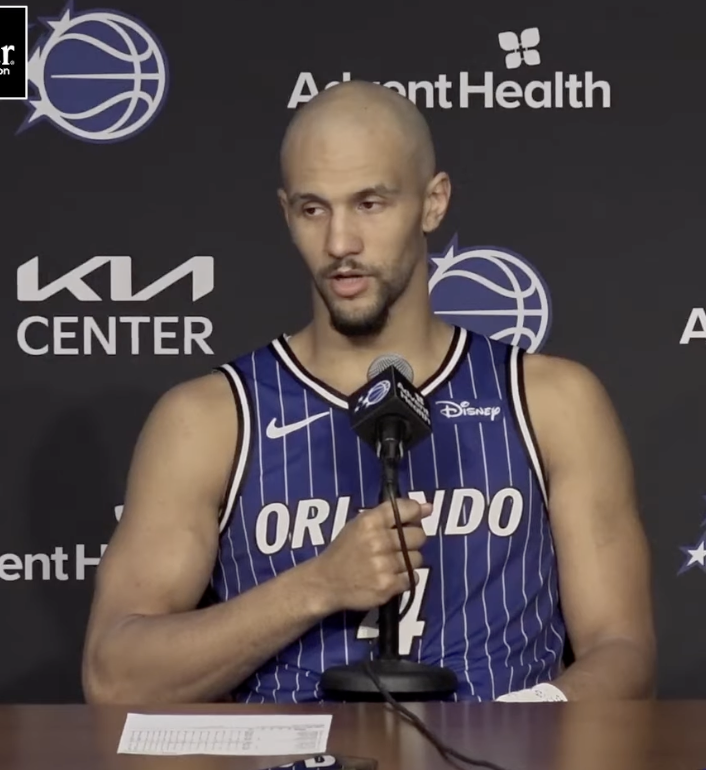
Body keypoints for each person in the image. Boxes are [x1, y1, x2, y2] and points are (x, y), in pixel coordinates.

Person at [81, 81, 656, 704]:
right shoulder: (208, 420)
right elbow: (115, 676)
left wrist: (523, 727)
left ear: (433, 203)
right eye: (313, 209)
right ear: (286, 214)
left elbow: (621, 650)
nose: (340, 243)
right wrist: (318, 585)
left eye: (370, 204)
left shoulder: (552, 402)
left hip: (504, 747)